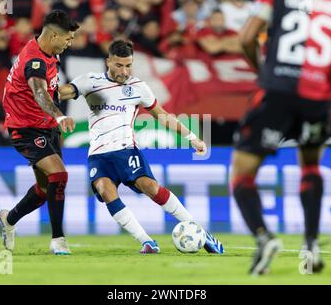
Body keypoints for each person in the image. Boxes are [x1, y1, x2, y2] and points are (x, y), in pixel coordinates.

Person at [232, 0, 331, 275]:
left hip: (275, 91)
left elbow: (247, 38)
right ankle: (310, 245)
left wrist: (262, 70)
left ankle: (264, 238)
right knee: (310, 166)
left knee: (242, 173)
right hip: (318, 98)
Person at [58, 39, 224, 254]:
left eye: (128, 65)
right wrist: (43, 86)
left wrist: (192, 137)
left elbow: (163, 116)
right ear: (108, 61)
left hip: (126, 150)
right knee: (104, 190)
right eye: (119, 65)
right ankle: (147, 242)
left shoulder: (138, 88)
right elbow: (63, 92)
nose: (124, 71)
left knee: (150, 187)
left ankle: (202, 233)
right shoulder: (90, 81)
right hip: (98, 155)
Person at [0, 10, 79, 255]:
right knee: (60, 175)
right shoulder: (35, 59)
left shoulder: (48, 53)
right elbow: (39, 92)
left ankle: (9, 219)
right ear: (54, 35)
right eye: (67, 39)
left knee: (45, 189)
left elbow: (51, 91)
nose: (69, 43)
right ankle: (58, 239)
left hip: (45, 126)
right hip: (26, 128)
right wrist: (60, 115)